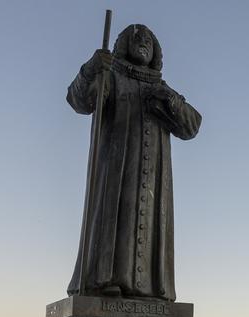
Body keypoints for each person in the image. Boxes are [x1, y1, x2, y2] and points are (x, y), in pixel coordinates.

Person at [67, 24, 202, 300]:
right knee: (117, 219)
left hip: (154, 178)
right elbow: (79, 100)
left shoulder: (162, 89)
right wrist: (91, 68)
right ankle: (105, 281)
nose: (142, 42)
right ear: (123, 45)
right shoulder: (112, 78)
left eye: (149, 40)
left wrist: (172, 101)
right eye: (136, 37)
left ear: (156, 52)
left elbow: (192, 126)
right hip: (117, 170)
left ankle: (150, 288)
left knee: (150, 225)